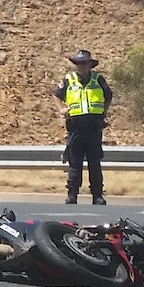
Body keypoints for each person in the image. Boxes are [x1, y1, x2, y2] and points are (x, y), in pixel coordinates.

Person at [51, 50, 113, 205]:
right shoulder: (69, 79)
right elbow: (56, 94)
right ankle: (72, 195)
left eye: (84, 63)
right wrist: (61, 109)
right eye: (79, 63)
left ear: (90, 64)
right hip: (76, 126)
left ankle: (97, 196)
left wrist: (103, 112)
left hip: (93, 126)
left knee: (94, 162)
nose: (82, 66)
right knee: (75, 162)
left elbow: (108, 96)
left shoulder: (98, 79)